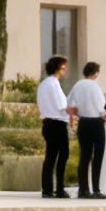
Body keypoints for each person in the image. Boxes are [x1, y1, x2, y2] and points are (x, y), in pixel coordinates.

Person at [69, 61, 106, 199]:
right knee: (97, 157)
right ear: (96, 73)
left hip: (83, 122)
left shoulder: (77, 85)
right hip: (96, 123)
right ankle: (96, 189)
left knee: (84, 157)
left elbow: (70, 104)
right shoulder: (95, 87)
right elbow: (101, 108)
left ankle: (83, 189)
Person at [36, 56, 72, 199]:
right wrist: (74, 109)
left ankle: (47, 189)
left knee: (50, 157)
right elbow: (61, 106)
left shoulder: (43, 84)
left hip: (47, 123)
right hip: (57, 123)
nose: (65, 70)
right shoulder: (54, 84)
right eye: (63, 67)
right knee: (63, 155)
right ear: (58, 67)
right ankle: (59, 189)